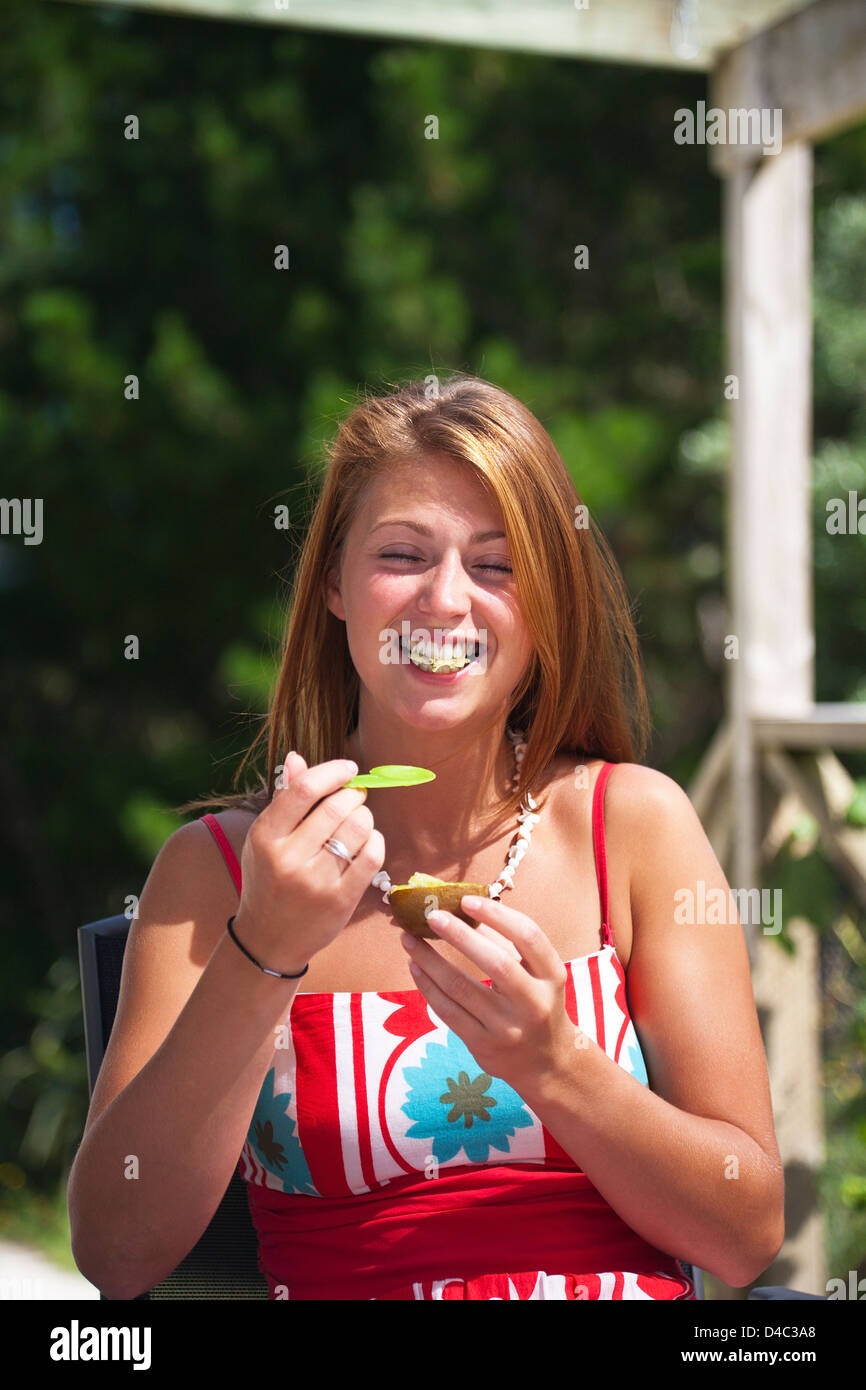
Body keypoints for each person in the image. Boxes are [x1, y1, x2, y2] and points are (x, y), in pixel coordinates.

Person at [68, 372, 785, 1300]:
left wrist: (555, 1065)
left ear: (547, 603)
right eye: (404, 555)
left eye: (495, 565)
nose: (446, 602)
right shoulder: (218, 876)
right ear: (332, 582)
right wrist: (264, 951)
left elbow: (746, 1236)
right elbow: (116, 1255)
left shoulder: (636, 826)